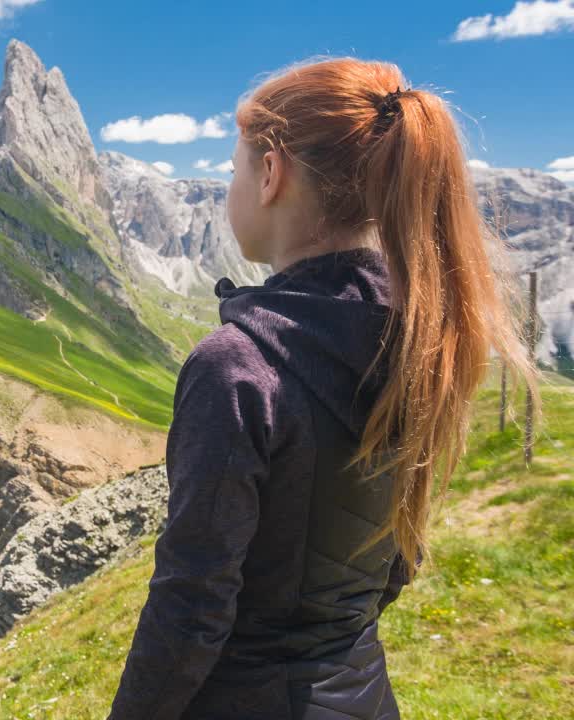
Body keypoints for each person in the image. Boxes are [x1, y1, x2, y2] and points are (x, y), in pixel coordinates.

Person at [106, 56, 544, 719]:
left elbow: (191, 604)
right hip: (363, 693)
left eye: (234, 170)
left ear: (272, 173)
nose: (229, 187)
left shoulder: (236, 366)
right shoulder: (421, 333)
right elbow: (399, 557)